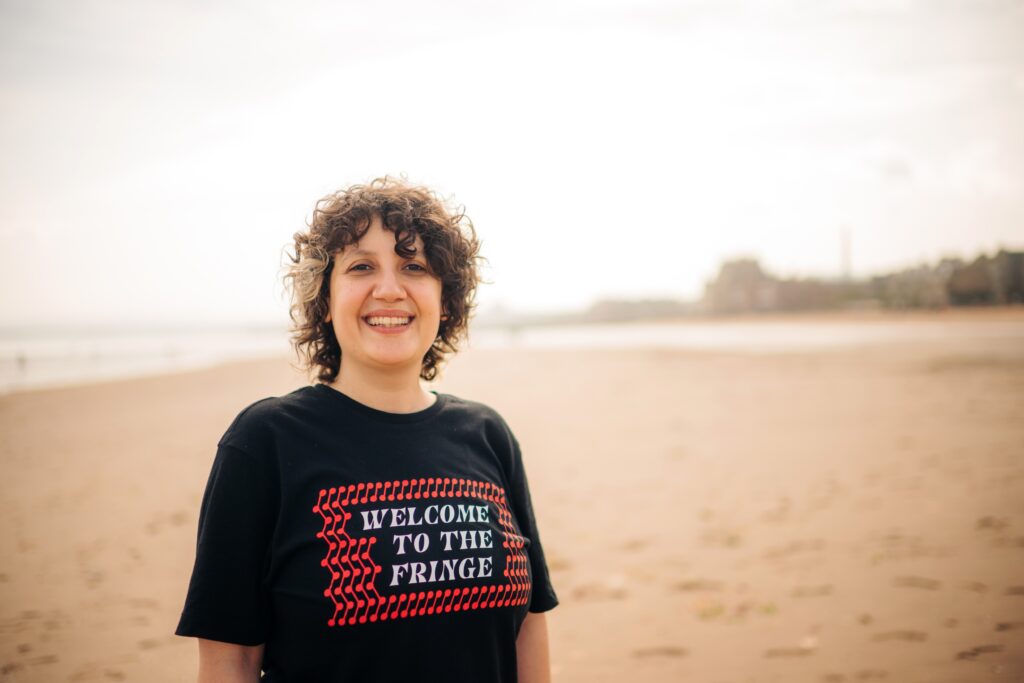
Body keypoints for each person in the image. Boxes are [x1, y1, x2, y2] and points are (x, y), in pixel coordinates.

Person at [175, 177, 558, 682]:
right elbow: (232, 660)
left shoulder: (488, 435)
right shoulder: (264, 441)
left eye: (414, 267)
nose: (389, 289)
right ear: (326, 301)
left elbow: (528, 624)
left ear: (445, 301)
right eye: (361, 267)